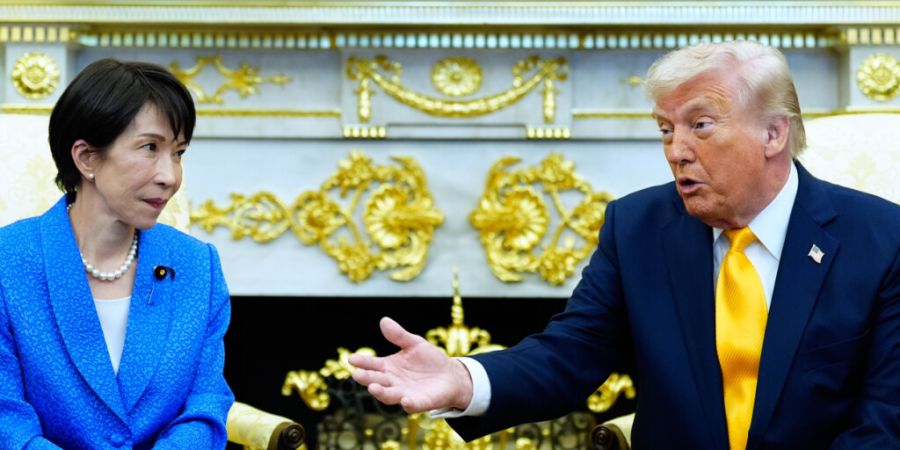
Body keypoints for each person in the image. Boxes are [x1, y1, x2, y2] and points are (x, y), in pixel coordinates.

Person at [350, 41, 900, 450]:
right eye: (665, 129)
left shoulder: (880, 241)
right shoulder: (638, 227)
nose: (676, 151)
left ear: (774, 134)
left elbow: (886, 417)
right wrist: (465, 379)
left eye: (700, 126)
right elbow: (572, 353)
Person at [0, 59, 234, 448]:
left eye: (178, 153)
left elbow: (205, 404)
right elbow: (5, 418)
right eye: (149, 148)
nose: (170, 175)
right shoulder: (8, 262)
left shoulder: (197, 266)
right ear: (87, 158)